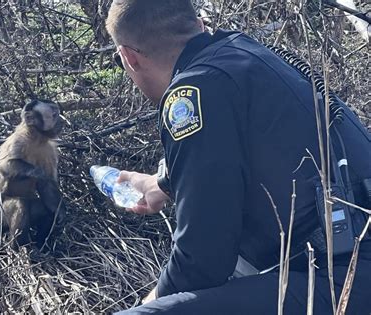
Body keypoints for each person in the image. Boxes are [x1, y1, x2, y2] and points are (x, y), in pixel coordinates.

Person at [105, 0, 371, 314]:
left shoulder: (192, 92)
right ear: (199, 25)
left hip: (344, 278)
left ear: (129, 57)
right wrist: (161, 183)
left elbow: (203, 261)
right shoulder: (243, 53)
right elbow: (249, 149)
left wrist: (151, 301)